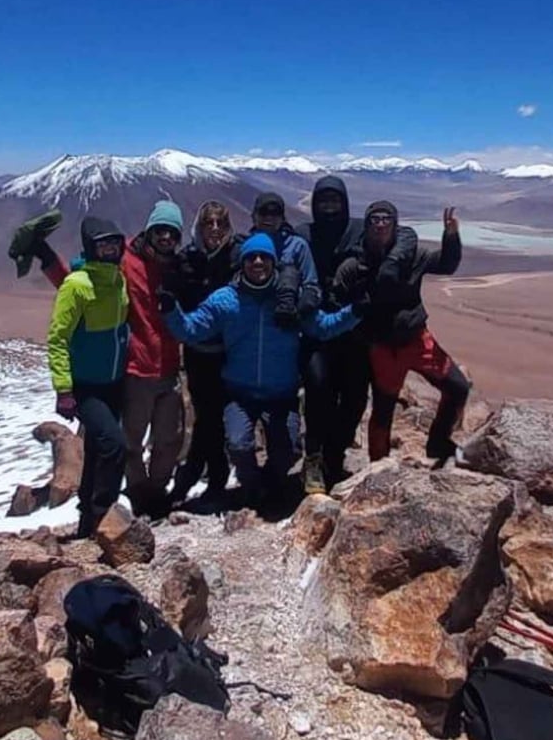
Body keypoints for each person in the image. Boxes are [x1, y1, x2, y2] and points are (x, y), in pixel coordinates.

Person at [162, 233, 362, 511]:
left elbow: (324, 326)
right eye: (251, 257)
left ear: (273, 263)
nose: (258, 262)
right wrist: (171, 309)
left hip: (281, 395)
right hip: (240, 394)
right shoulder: (226, 301)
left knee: (289, 451)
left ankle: (271, 483)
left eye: (264, 257)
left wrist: (356, 311)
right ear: (242, 263)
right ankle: (252, 488)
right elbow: (191, 329)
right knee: (239, 445)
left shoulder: (288, 300)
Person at [23, 203, 186, 517]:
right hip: (137, 370)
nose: (165, 237)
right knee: (130, 443)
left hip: (170, 369)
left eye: (172, 233)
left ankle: (157, 491)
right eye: (160, 230)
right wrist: (45, 256)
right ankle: (138, 497)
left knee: (169, 440)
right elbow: (80, 282)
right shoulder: (124, 261)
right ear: (148, 231)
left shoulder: (179, 266)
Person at [297, 177, 419, 491]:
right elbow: (271, 242)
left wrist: (392, 260)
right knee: (318, 390)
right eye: (323, 201)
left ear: (345, 202)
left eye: (334, 201)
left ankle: (334, 458)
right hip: (317, 330)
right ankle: (313, 458)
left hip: (356, 330)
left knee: (353, 400)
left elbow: (402, 233)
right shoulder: (303, 234)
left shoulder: (357, 229)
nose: (328, 207)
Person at [334, 203, 469, 462]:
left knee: (457, 387)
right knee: (383, 411)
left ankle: (439, 442)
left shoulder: (413, 256)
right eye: (375, 219)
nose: (381, 224)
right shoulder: (355, 265)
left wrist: (451, 236)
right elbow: (337, 295)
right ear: (367, 225)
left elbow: (446, 264)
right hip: (382, 348)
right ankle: (378, 465)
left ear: (395, 224)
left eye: (387, 219)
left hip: (418, 340)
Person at [47, 217, 132, 538]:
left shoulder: (118, 280)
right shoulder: (77, 285)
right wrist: (64, 389)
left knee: (98, 449)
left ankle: (86, 523)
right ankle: (103, 514)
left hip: (114, 382)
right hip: (86, 387)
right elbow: (57, 337)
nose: (110, 249)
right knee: (114, 445)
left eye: (114, 242)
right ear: (90, 248)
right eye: (102, 244)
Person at [165, 200, 243, 507]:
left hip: (228, 351)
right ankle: (212, 476)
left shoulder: (237, 257)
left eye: (220, 224)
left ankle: (203, 476)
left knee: (219, 416)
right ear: (199, 227)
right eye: (208, 223)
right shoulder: (186, 260)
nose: (214, 230)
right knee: (207, 416)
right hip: (197, 352)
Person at [249, 192, 320, 330]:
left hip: (289, 317)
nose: (269, 218)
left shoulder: (297, 245)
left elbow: (311, 284)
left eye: (275, 213)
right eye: (264, 213)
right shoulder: (245, 246)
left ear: (282, 218)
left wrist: (303, 306)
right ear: (254, 217)